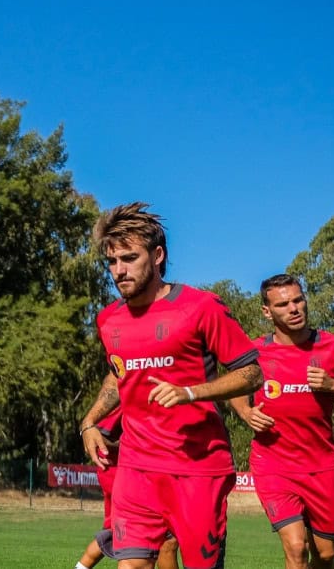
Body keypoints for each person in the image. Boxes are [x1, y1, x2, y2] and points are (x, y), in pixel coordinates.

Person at [78, 203, 262, 569]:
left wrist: (190, 392)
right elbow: (119, 372)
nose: (119, 271)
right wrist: (90, 421)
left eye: (129, 258)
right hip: (137, 466)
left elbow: (251, 372)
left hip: (198, 467)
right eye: (112, 262)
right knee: (130, 564)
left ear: (158, 255)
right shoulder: (108, 320)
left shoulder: (200, 307)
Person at [229, 274, 334, 569]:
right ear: (267, 312)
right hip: (273, 465)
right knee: (297, 548)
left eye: (298, 300)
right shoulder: (255, 352)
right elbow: (232, 387)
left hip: (320, 465)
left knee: (324, 555)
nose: (294, 308)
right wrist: (245, 413)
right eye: (283, 304)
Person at [74, 408, 178, 569]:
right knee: (165, 538)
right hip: (121, 472)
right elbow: (102, 436)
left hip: (118, 472)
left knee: (114, 533)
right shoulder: (125, 397)